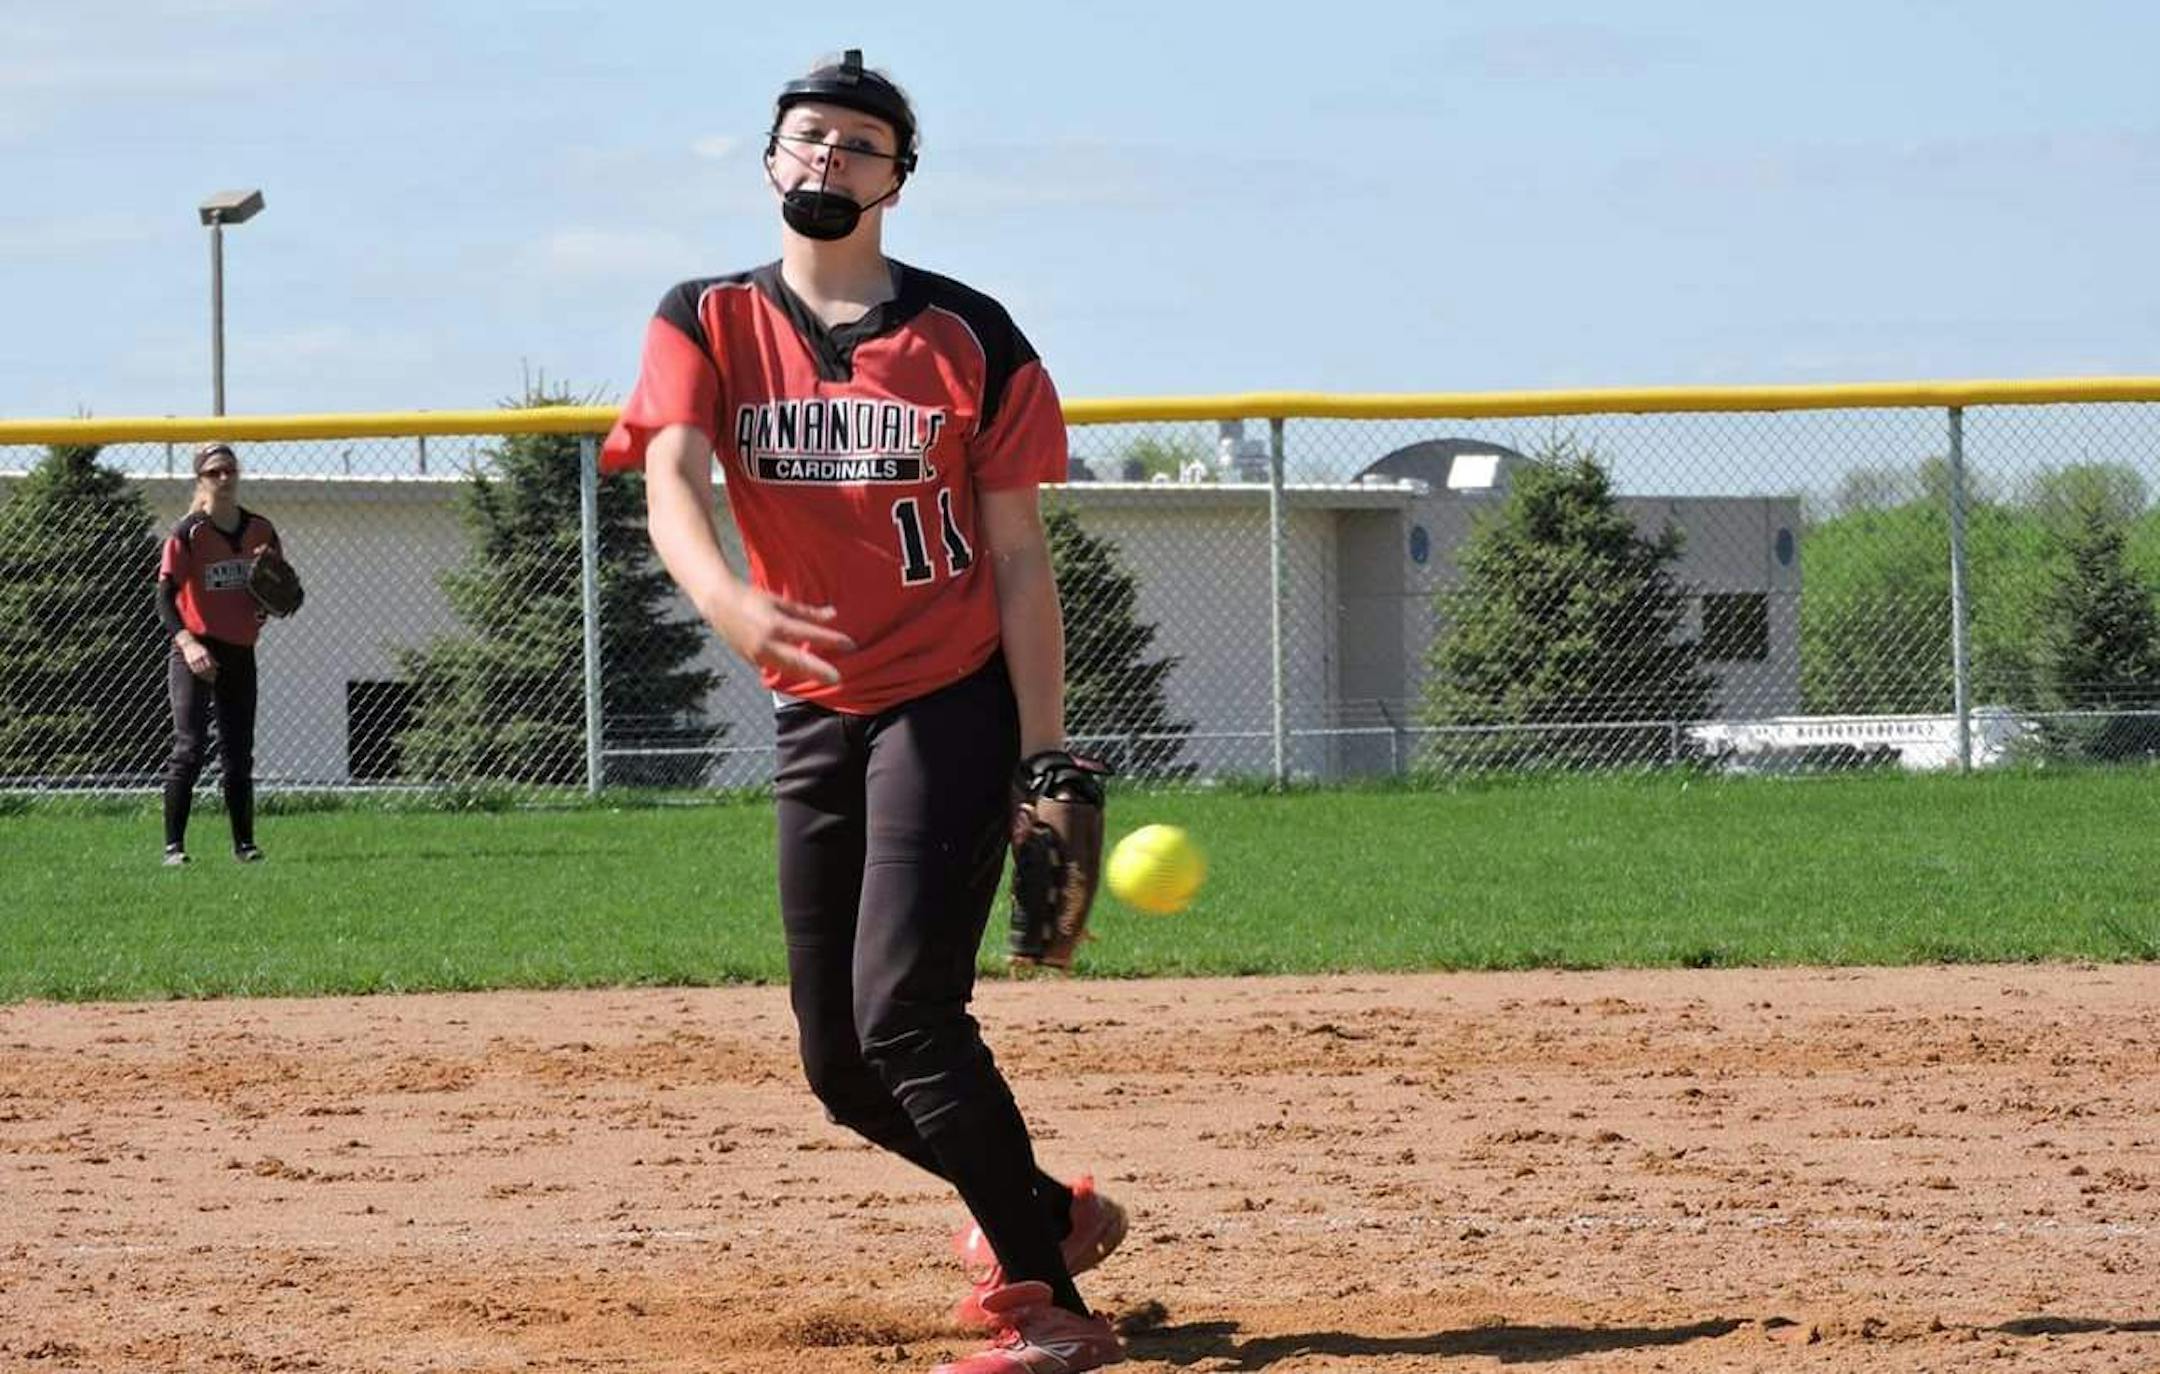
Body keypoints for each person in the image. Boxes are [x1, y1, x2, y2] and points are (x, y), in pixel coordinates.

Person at [602, 50, 1126, 1374]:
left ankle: (1051, 1305)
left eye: (856, 143)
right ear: (770, 162)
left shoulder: (971, 333)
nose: (826, 160)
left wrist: (1043, 747)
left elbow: (1017, 558)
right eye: (806, 139)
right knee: (840, 1063)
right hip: (814, 709)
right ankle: (1045, 1210)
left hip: (948, 702)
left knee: (905, 1009)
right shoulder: (707, 316)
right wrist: (723, 594)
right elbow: (670, 477)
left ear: (899, 177)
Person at [157, 441, 296, 865]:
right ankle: (174, 848)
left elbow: (279, 593)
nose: (224, 478)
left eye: (229, 470)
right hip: (196, 651)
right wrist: (188, 642)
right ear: (201, 479)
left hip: (239, 651)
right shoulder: (189, 533)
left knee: (238, 752)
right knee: (191, 748)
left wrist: (268, 603)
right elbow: (165, 597)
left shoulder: (260, 530)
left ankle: (245, 845)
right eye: (214, 472)